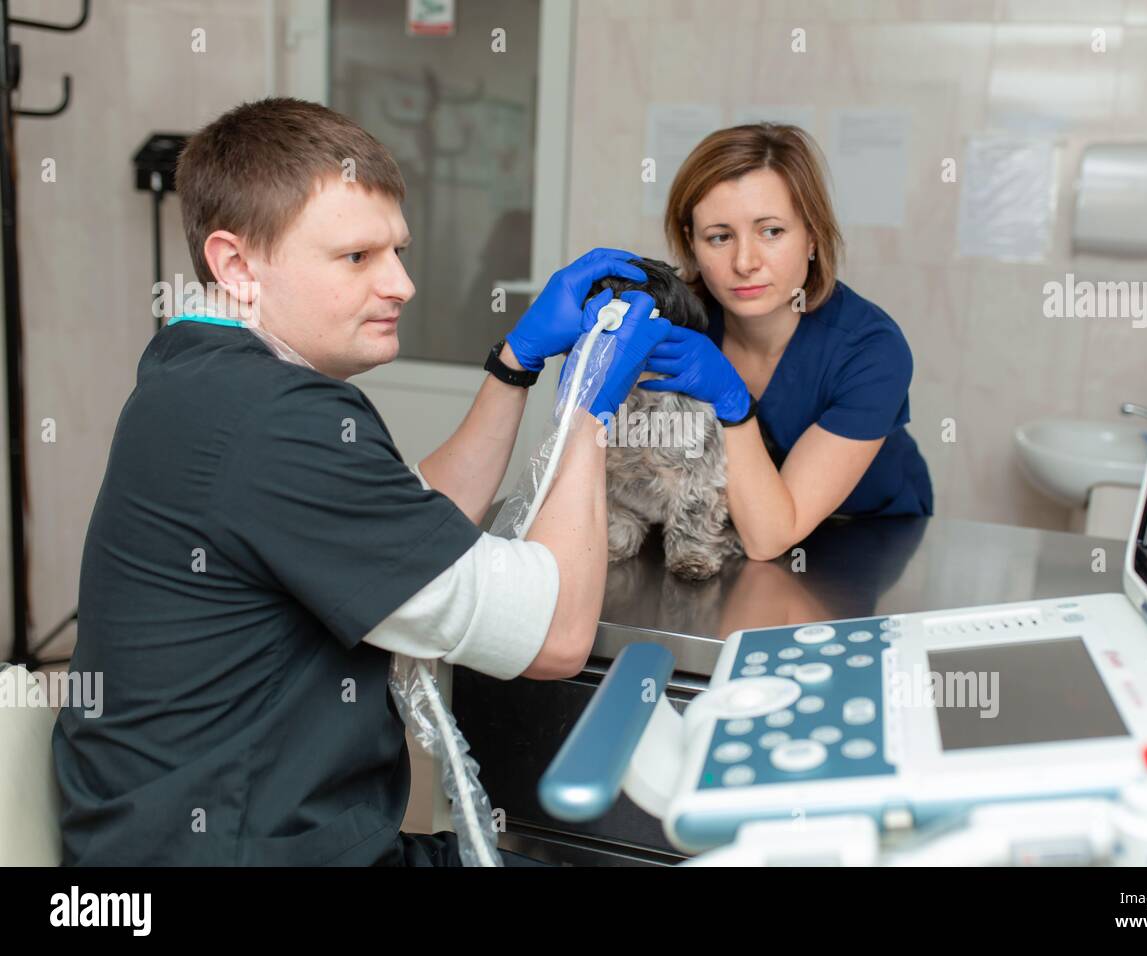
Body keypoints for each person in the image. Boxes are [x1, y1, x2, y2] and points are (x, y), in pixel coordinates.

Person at [52, 97, 670, 866]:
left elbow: (409, 527)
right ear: (236, 265)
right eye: (357, 258)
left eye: (397, 251)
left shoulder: (197, 372)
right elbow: (554, 637)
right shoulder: (272, 421)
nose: (402, 284)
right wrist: (589, 408)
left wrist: (515, 364)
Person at [639, 123, 933, 561]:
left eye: (771, 231)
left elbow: (770, 537)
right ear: (691, 244)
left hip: (865, 540)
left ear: (812, 235)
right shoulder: (677, 323)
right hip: (729, 533)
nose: (744, 262)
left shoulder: (871, 351)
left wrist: (731, 403)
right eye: (719, 237)